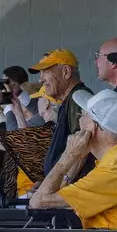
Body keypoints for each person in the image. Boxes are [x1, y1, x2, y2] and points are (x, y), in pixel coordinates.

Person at [29, 90, 117, 230]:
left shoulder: (114, 170)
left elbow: (38, 202)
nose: (79, 121)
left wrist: (69, 155)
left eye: (81, 115)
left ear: (92, 126)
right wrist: (79, 157)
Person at [29, 48, 92, 180]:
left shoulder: (78, 98)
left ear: (66, 72)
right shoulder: (70, 100)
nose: (40, 79)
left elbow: (82, 147)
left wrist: (62, 183)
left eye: (45, 72)